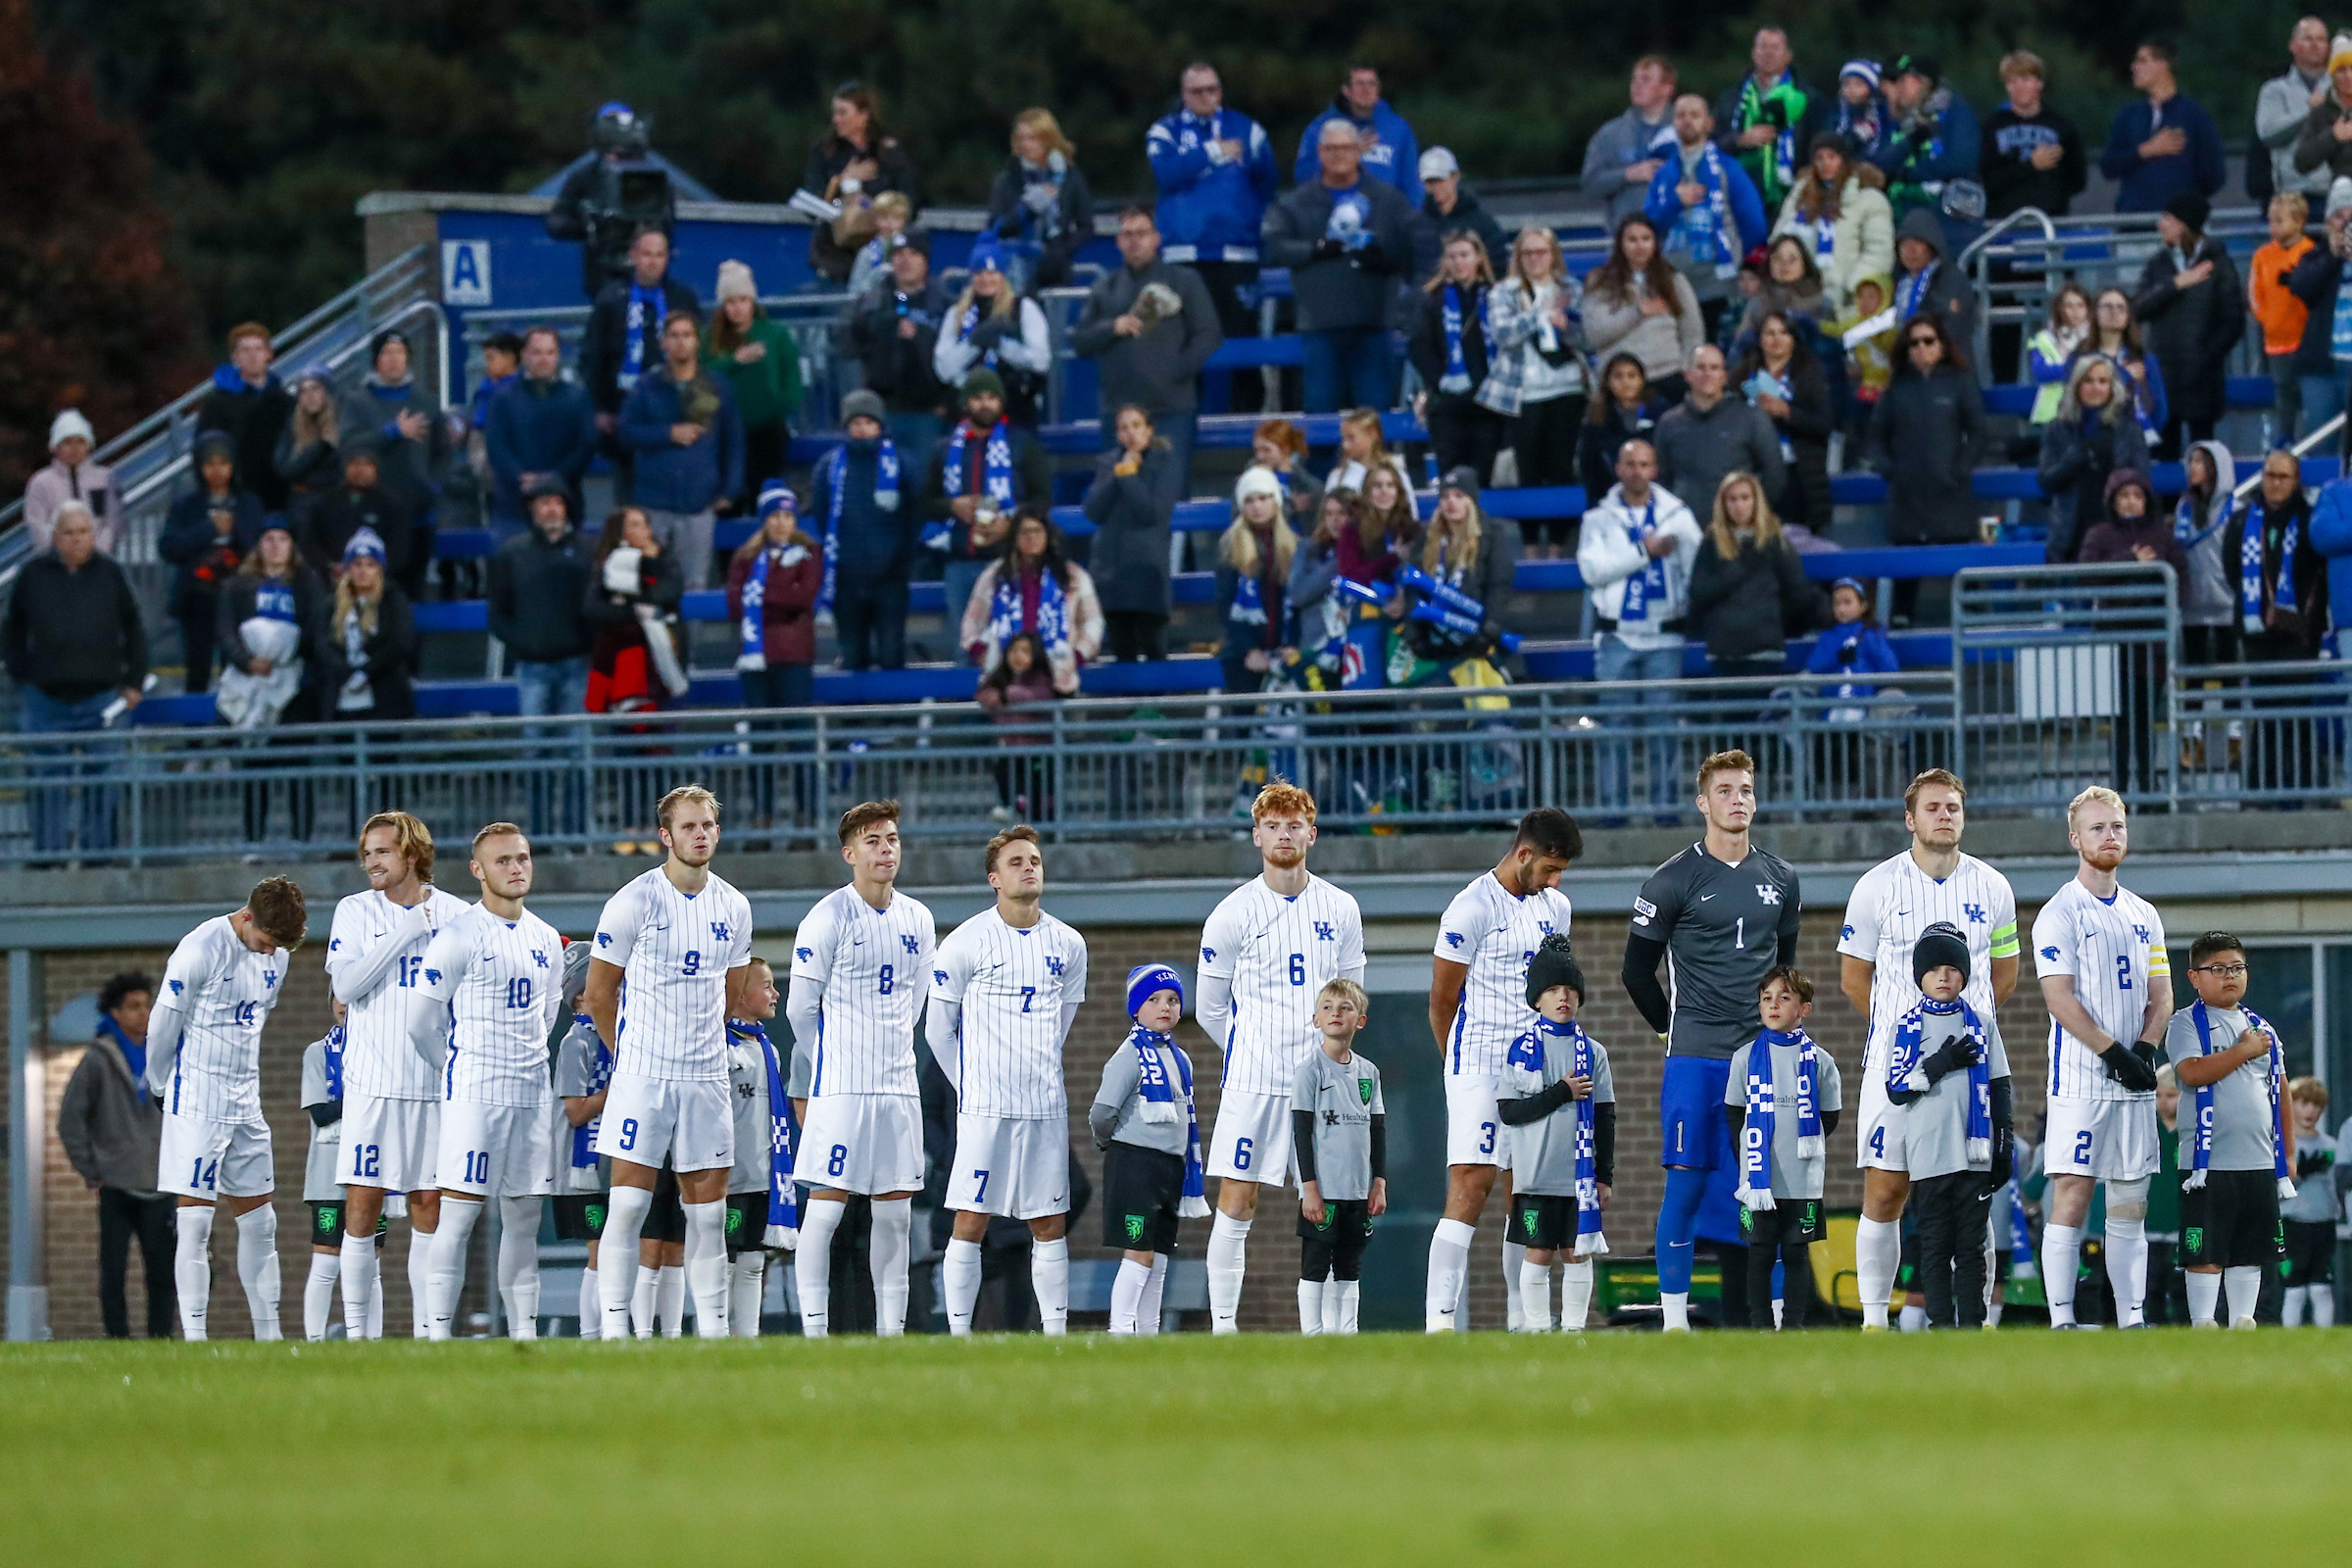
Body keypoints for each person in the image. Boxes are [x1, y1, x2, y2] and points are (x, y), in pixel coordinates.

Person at [1621, 750, 1802, 1332]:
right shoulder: (1672, 878)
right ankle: (1675, 1322)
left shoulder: (1782, 877)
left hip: (1761, 1059)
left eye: (1746, 790)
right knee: (1687, 1184)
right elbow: (1634, 972)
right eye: (1725, 791)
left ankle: (1775, 1322)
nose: (1738, 800)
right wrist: (1669, 1032)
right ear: (1703, 803)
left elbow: (1786, 974)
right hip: (1696, 1057)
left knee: (1770, 1187)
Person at [1834, 769, 2021, 1327]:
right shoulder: (1876, 886)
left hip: (1968, 1072)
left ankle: (1975, 1320)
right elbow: (1852, 978)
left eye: (1954, 808)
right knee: (1888, 1189)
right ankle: (1873, 1319)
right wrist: (1912, 1038)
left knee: (1972, 1191)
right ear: (1910, 819)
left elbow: (2005, 975)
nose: (1945, 816)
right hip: (1895, 1069)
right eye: (1933, 807)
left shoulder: (1994, 887)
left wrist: (1956, 1032)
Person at [581, 784, 756, 1339]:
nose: (700, 835)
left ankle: (712, 1333)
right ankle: (614, 1329)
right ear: (666, 836)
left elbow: (732, 994)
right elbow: (600, 993)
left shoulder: (735, 905)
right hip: (644, 1077)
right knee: (628, 1207)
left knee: (706, 1216)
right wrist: (629, 1056)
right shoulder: (633, 901)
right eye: (688, 826)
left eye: (708, 825)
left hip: (706, 1078)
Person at [1197, 782, 1366, 1334]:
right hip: (1253, 1081)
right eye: (1273, 826)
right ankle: (1224, 1328)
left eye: (1294, 825)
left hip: (1322, 1084)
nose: (1284, 835)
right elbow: (1210, 1009)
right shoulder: (1231, 913)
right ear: (1256, 836)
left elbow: (1351, 997)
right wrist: (1254, 1049)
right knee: (1238, 1200)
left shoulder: (1341, 908)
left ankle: (1332, 1331)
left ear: (1311, 834)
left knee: (1332, 1202)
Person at [925, 825, 1088, 1337]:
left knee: (1048, 1224)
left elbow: (1060, 1024)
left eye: (1034, 859)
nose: (1029, 867)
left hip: (1044, 1108)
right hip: (984, 1111)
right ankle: (959, 1335)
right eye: (1016, 862)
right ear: (995, 878)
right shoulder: (965, 942)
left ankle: (1055, 1336)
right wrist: (970, 1087)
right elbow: (937, 1030)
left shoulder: (1069, 943)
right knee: (971, 1221)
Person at [1423, 810, 1581, 1333]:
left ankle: (1524, 1320)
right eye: (1551, 868)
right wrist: (1459, 1070)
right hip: (1478, 1065)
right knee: (1472, 1183)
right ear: (1524, 854)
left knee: (1527, 1189)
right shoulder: (1469, 908)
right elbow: (1443, 1001)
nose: (1555, 881)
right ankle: (1439, 1322)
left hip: (1532, 1067)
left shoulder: (1556, 909)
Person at [784, 800, 937, 1337]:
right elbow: (799, 1009)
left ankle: (890, 1335)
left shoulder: (919, 917)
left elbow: (917, 1001)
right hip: (842, 1090)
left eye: (892, 839)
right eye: (872, 841)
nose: (885, 849)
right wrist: (831, 1062)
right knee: (825, 1212)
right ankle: (814, 1332)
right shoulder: (826, 916)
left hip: (897, 1088)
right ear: (849, 853)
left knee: (894, 1217)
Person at [410, 824, 565, 1340]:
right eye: (503, 861)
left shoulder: (546, 938)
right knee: (457, 1218)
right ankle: (436, 1336)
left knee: (523, 1220)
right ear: (478, 870)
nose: (516, 867)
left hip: (529, 1096)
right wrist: (451, 1069)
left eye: (522, 857)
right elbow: (421, 1021)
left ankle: (524, 1335)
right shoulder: (458, 936)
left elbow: (546, 1018)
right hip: (476, 1096)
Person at [2032, 785, 2173, 1330]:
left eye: (2116, 827)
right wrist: (2111, 1051)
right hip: (2082, 1081)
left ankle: (2130, 1318)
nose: (2108, 836)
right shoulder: (2059, 912)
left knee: (2131, 1201)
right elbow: (2059, 997)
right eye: (2096, 828)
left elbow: (2161, 994)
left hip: (2134, 1080)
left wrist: (2144, 1049)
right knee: (2072, 1192)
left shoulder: (2145, 914)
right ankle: (2062, 1319)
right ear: (2075, 839)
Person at [143, 877, 307, 1340]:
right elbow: (163, 1023)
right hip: (197, 1100)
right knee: (195, 1222)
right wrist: (159, 1083)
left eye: (277, 947)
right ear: (247, 916)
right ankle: (196, 1339)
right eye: (264, 942)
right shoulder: (199, 949)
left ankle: (269, 1335)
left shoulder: (278, 955)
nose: (268, 952)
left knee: (262, 1221)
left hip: (245, 1102)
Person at [322, 811, 459, 1337]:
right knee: (363, 1204)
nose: (370, 862)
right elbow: (349, 986)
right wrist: (405, 932)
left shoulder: (454, 913)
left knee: (429, 1204)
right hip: (372, 1084)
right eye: (367, 853)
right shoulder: (354, 911)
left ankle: (430, 1334)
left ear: (410, 854)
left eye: (381, 851)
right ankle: (360, 1335)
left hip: (431, 1085)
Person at [1878, 925, 2010, 1331]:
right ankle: (1939, 1322)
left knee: (1971, 1246)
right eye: (1934, 969)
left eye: (1952, 969)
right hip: (1929, 1155)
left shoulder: (1982, 1024)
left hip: (1975, 1155)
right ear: (1920, 976)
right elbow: (1897, 1089)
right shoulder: (1906, 1026)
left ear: (1965, 976)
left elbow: (2000, 1086)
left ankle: (1971, 1323)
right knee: (1934, 1246)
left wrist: (2003, 1147)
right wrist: (1939, 1063)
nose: (1943, 977)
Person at [2167, 931, 2295, 1330]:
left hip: (2257, 1157)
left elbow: (2281, 1093)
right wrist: (2242, 1051)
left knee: (2249, 1249)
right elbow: (2190, 1072)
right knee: (2205, 1247)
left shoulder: (2262, 1028)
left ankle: (2243, 1321)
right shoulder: (2185, 1023)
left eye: (2237, 968)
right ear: (2194, 977)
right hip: (2209, 1162)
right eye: (2218, 969)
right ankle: (2203, 1321)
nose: (2230, 977)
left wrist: (2287, 1153)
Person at [3, 504, 146, 855]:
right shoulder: (32, 574)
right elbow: (12, 631)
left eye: (83, 531)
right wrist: (24, 677)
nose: (77, 538)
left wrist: (135, 683)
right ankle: (48, 855)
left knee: (105, 779)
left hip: (102, 697)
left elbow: (134, 627)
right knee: (45, 780)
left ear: (93, 535)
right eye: (69, 532)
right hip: (45, 699)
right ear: (55, 538)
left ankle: (99, 855)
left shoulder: (111, 573)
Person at [1496, 937, 1616, 1332]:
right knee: (1538, 1252)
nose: (1562, 997)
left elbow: (1605, 1117)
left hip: (1578, 1178)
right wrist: (1560, 1093)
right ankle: (1536, 1327)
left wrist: (1604, 1175)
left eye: (1569, 990)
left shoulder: (1594, 1053)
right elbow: (1511, 1112)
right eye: (1552, 990)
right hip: (1535, 1176)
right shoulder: (1521, 1050)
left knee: (1577, 1252)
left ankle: (1574, 1330)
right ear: (1537, 1000)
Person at [1579, 438, 1699, 813]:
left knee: (1664, 728)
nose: (1637, 471)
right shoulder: (1597, 519)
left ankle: (1664, 809)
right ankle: (1612, 810)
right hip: (1617, 636)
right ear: (1618, 469)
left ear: (1655, 469)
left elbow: (1697, 568)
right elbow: (1592, 571)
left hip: (1664, 634)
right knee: (1612, 727)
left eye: (1644, 464)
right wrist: (1642, 552)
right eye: (1629, 464)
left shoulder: (1678, 516)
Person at [1263, 120, 1415, 413]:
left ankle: (1374, 462)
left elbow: (1409, 250)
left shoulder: (1386, 199)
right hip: (1320, 326)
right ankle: (1322, 462)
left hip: (1373, 324)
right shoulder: (1297, 202)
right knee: (1320, 416)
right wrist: (1315, 249)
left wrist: (1381, 256)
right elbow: (1274, 247)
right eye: (1331, 148)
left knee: (1374, 418)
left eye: (1346, 147)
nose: (1339, 155)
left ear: (1359, 151)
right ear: (1319, 152)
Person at [1069, 206, 1222, 498]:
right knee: (1121, 495)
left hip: (1170, 408)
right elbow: (1080, 340)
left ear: (1156, 238)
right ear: (1118, 241)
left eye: (1142, 233)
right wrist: (1112, 327)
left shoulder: (1184, 281)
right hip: (1119, 412)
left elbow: (1209, 334)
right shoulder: (1105, 287)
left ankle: (1181, 547)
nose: (1135, 240)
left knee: (1172, 496)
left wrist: (1178, 369)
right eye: (1127, 234)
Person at [1720, 966, 1841, 1330]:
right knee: (1758, 1254)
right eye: (1766, 999)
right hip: (1759, 1179)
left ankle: (1793, 1324)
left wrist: (1801, 1146)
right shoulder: (1745, 1058)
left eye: (1784, 998)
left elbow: (1829, 1117)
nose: (1773, 1006)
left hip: (1802, 1179)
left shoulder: (1820, 1061)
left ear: (1804, 1009)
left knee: (1795, 1253)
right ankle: (1759, 1324)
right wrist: (1749, 1159)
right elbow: (1734, 1116)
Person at [1089, 965, 1206, 1336]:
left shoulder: (1180, 1058)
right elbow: (1103, 1112)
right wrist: (1111, 1142)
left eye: (1172, 1000)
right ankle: (1121, 1331)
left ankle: (1150, 1332)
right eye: (1153, 1000)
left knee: (1158, 1255)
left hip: (1169, 1166)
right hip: (1135, 1162)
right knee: (1138, 1251)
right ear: (1136, 1009)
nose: (1165, 1007)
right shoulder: (1130, 1055)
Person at [1147, 61, 1280, 379]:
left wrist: (1242, 218)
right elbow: (1166, 174)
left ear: (1220, 92)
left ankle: (1247, 420)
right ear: (1184, 95)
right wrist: (1212, 152)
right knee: (1184, 344)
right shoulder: (1166, 130)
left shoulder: (1248, 130)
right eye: (1197, 91)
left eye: (1212, 89)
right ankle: (1184, 421)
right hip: (1184, 256)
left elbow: (1267, 181)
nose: (1206, 96)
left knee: (1243, 347)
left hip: (1236, 255)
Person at [58, 972, 172, 1340]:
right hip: (117, 1185)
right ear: (116, 1012)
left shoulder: (165, 1054)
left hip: (160, 1182)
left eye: (147, 1005)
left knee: (161, 1271)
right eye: (133, 1007)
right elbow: (70, 1120)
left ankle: (160, 1340)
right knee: (113, 1270)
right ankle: (118, 1339)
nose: (143, 1014)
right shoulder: (98, 1059)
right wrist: (93, 1170)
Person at [2226, 450, 2329, 796]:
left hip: (2300, 632)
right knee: (2265, 711)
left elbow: (2318, 572)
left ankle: (2305, 791)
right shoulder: (2242, 521)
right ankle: (2262, 792)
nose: (2274, 483)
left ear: (2296, 481)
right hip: (2257, 633)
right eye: (2269, 475)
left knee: (2297, 711)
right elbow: (2232, 572)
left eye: (2283, 477)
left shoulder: (2311, 519)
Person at [1868, 315, 1984, 619]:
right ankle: (1901, 619)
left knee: (1961, 563)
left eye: (1928, 341)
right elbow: (1876, 437)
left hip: (1950, 491)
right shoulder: (1895, 387)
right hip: (1906, 493)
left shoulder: (1960, 381)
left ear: (1942, 346)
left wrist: (1960, 470)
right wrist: (1890, 471)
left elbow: (1978, 432)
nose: (1921, 348)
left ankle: (1973, 620)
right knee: (1906, 566)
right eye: (1913, 342)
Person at [619, 310, 744, 592]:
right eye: (673, 336)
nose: (681, 342)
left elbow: (733, 442)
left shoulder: (717, 386)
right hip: (653, 505)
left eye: (687, 335)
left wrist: (730, 490)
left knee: (694, 586)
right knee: (650, 585)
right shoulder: (646, 387)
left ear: (697, 341)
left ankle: (693, 639)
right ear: (663, 342)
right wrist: (667, 433)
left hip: (698, 505)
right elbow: (625, 433)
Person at [2081, 469, 2187, 795]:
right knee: (2120, 722)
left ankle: (2148, 786)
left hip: (2150, 643)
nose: (2130, 502)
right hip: (2112, 643)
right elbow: (2086, 576)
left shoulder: (2162, 536)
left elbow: (2182, 579)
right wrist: (2130, 560)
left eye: (2137, 496)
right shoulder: (2099, 535)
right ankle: (2120, 789)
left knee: (2144, 721)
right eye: (2124, 496)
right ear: (2112, 501)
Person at [1481, 227, 1589, 551]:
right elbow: (1503, 334)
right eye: (1528, 253)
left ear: (1553, 255)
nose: (1535, 259)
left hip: (1567, 387)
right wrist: (1537, 315)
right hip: (1524, 390)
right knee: (1528, 469)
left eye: (1541, 252)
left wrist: (1566, 326)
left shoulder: (1571, 288)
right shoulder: (1503, 292)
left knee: (1561, 466)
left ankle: (1557, 544)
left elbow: (1588, 336)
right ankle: (1529, 545)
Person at [920, 369, 1053, 626]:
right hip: (960, 561)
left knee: (1014, 640)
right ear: (966, 403)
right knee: (966, 645)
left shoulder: (1023, 444)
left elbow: (1042, 500)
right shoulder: (943, 449)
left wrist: (1011, 524)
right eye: (978, 397)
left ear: (1001, 402)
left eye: (992, 397)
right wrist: (952, 506)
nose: (985, 404)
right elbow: (922, 504)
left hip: (1011, 558)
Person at [1292, 979, 1385, 1336]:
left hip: (1358, 1189)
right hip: (1324, 1190)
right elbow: (1301, 1132)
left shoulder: (1368, 1073)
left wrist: (1379, 1182)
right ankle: (1312, 1335)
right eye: (1328, 1007)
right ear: (1316, 1019)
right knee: (1315, 1263)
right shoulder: (1310, 1071)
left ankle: (1347, 1334)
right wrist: (1309, 1188)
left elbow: (1377, 1131)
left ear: (1359, 1020)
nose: (1336, 1014)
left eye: (1345, 1007)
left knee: (1350, 1264)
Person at [580, 227, 701, 499]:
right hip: (624, 409)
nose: (653, 261)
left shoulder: (682, 298)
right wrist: (599, 408)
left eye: (660, 255)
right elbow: (593, 356)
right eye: (647, 254)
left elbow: (699, 353)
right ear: (633, 256)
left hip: (674, 407)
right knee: (629, 491)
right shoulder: (611, 299)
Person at [220, 522, 323, 837]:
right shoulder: (238, 585)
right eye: (268, 539)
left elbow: (315, 628)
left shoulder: (307, 583)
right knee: (255, 769)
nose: (275, 546)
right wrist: (247, 661)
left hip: (295, 690)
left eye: (282, 539)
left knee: (298, 767)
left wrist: (287, 655)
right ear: (258, 545)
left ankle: (303, 838)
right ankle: (253, 839)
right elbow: (225, 630)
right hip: (251, 684)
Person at [812, 391, 919, 673]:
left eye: (868, 422)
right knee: (852, 654)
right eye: (855, 422)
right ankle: (854, 719)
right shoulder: (828, 467)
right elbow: (822, 517)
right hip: (846, 579)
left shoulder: (903, 464)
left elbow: (914, 517)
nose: (861, 428)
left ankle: (894, 717)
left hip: (891, 578)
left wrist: (900, 562)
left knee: (891, 651)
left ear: (880, 425)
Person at [2133, 190, 2244, 458]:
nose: (2161, 225)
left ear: (2184, 224)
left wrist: (2206, 357)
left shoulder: (2219, 265)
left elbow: (2233, 321)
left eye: (2167, 219)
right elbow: (2137, 308)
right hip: (2163, 377)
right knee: (2164, 454)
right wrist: (2175, 285)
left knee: (2203, 455)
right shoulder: (2158, 264)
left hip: (2202, 379)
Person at [1646, 94, 1769, 333]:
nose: (1687, 121)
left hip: (1720, 284)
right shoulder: (1663, 175)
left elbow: (1753, 223)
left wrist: (1748, 268)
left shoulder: (1728, 168)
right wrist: (1675, 202)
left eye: (1695, 115)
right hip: (1675, 285)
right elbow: (1646, 227)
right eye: (1681, 115)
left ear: (1708, 123)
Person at [1687, 470, 1821, 681]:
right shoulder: (1711, 543)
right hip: (1724, 651)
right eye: (1732, 499)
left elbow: (1798, 593)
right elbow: (1697, 592)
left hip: (1765, 649)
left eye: (1745, 498)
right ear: (1723, 504)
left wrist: (1772, 619)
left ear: (1756, 501)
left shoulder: (1775, 542)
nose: (1738, 505)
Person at [721, 958, 794, 1337]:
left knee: (752, 1261)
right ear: (738, 992)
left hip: (763, 1172)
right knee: (724, 1261)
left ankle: (746, 1338)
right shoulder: (721, 1047)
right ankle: (714, 1333)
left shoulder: (769, 1049)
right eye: (765, 985)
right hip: (726, 1176)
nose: (775, 993)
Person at [160, 432, 265, 695]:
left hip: (238, 597)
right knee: (197, 669)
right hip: (197, 598)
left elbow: (258, 547)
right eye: (210, 464)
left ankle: (232, 732)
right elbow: (169, 547)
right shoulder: (186, 506)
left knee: (236, 666)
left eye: (223, 463)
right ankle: (195, 733)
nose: (217, 471)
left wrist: (235, 528)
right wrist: (209, 529)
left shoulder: (248, 503)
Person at [960, 509, 1103, 691]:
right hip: (1004, 676)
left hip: (1059, 675)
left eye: (1037, 531)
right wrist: (982, 653)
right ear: (1014, 538)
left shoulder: (1072, 576)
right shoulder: (994, 576)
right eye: (1024, 532)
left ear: (1048, 535)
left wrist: (1077, 656)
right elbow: (972, 621)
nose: (1031, 537)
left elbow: (1093, 621)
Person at [1083, 403, 1182, 662]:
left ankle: (1155, 703)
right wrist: (1119, 473)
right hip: (1112, 574)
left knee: (1154, 650)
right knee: (1121, 652)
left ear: (1149, 431)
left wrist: (1128, 476)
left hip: (1147, 574)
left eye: (1137, 426)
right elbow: (1093, 510)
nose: (1130, 433)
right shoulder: (1109, 463)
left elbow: (1151, 512)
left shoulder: (1166, 462)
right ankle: (1126, 703)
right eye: (1123, 428)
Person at [297, 1006, 374, 1340]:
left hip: (371, 1169)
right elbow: (321, 1113)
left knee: (371, 1264)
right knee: (326, 1261)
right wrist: (363, 1092)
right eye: (337, 997)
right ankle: (314, 1340)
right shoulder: (318, 1052)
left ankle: (371, 1337)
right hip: (329, 1174)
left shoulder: (379, 1049)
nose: (343, 1005)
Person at [491, 476, 596, 718]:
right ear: (532, 510)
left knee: (578, 743)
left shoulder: (588, 550)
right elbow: (498, 610)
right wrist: (522, 642)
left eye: (558, 503)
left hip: (577, 661)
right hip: (532, 664)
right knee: (534, 743)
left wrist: (587, 641)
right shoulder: (511, 553)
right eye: (545, 503)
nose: (553, 510)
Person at [703, 261, 801, 516]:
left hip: (767, 431)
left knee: (765, 497)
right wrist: (735, 361)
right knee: (728, 502)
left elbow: (792, 378)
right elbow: (703, 373)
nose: (737, 309)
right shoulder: (710, 338)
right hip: (725, 431)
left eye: (743, 300)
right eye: (730, 302)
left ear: (753, 301)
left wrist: (779, 404)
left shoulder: (775, 334)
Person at [804, 81, 922, 285]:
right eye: (835, 113)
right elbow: (811, 205)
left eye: (843, 113)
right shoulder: (825, 151)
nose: (836, 120)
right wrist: (842, 181)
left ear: (863, 115)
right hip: (833, 256)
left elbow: (912, 200)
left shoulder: (889, 153)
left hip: (882, 255)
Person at [584, 506, 688, 736]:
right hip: (620, 664)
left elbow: (669, 594)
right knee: (625, 745)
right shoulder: (604, 568)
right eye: (635, 525)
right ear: (620, 533)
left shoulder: (664, 561)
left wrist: (629, 600)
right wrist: (639, 611)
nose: (645, 531)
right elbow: (594, 609)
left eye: (645, 524)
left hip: (661, 664)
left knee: (660, 744)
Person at [2037, 356, 2152, 564]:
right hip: (2070, 534)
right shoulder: (2057, 429)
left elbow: (2142, 478)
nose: (2095, 387)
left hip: (2118, 533)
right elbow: (2046, 481)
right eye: (2088, 381)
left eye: (2102, 381)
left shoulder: (2129, 429)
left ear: (2112, 386)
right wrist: (2074, 459)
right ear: (2076, 386)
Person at [1408, 230, 1503, 482]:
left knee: (1485, 478)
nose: (1458, 262)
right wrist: (1440, 381)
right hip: (1449, 406)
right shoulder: (1431, 300)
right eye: (1452, 256)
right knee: (1451, 479)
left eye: (1464, 255)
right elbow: (1420, 346)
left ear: (1479, 258)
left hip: (1490, 403)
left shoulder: (1498, 296)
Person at [850, 230, 954, 457]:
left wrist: (947, 401)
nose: (905, 260)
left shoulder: (944, 305)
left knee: (922, 481)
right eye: (898, 254)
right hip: (883, 410)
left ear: (925, 261)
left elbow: (955, 359)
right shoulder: (872, 302)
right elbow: (851, 344)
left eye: (913, 253)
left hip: (927, 412)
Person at [481, 328, 596, 535]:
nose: (544, 359)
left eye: (550, 352)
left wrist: (555, 478)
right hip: (512, 507)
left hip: (565, 504)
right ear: (524, 355)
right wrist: (520, 478)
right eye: (537, 353)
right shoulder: (503, 399)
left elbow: (585, 445)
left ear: (558, 356)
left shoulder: (577, 397)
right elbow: (496, 446)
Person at [1653, 343, 1786, 518]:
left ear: (1724, 376)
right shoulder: (1668, 423)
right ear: (1688, 375)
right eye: (1701, 368)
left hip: (1738, 533)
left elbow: (1774, 475)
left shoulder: (1751, 418)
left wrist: (1751, 516)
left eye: (1714, 368)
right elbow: (1660, 481)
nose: (1708, 374)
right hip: (1685, 532)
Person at [551, 979, 615, 1337]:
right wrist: (617, 1086)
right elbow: (576, 1111)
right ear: (581, 996)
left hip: (611, 1159)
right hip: (582, 1165)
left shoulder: (614, 1039)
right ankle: (594, 1333)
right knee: (600, 1251)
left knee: (614, 1248)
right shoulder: (576, 1042)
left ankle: (608, 1328)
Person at [932, 240, 1054, 426]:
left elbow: (1040, 360)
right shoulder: (957, 313)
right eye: (979, 273)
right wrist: (972, 344)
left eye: (992, 273)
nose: (985, 279)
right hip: (967, 408)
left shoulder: (1024, 309)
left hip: (1014, 405)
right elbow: (944, 369)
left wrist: (1004, 347)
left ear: (1002, 275)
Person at [1772, 134, 1891, 319]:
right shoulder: (1799, 195)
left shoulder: (1869, 199)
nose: (1825, 163)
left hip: (1844, 302)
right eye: (1819, 158)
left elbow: (1878, 252)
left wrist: (1853, 287)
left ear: (1844, 160)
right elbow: (1778, 240)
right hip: (1796, 297)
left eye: (1831, 157)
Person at [1582, 217, 1703, 397]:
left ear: (1655, 243)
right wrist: (1637, 312)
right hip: (1619, 380)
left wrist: (1687, 368)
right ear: (1620, 244)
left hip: (1668, 374)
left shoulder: (1674, 280)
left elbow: (1692, 332)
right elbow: (1595, 333)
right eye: (1632, 239)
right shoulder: (1600, 282)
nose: (1639, 245)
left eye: (1646, 239)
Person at [726, 483, 822, 710]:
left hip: (794, 654)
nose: (781, 523)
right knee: (760, 731)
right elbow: (735, 605)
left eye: (788, 516)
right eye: (775, 516)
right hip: (755, 654)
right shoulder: (745, 556)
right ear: (764, 520)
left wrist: (758, 594)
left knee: (797, 727)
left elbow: (803, 598)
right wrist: (782, 593)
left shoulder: (809, 553)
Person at [2102, 40, 2227, 214]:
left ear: (2163, 64)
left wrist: (2185, 204)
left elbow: (2213, 175)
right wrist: (2145, 151)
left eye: (2142, 61)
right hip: (2134, 223)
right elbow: (2108, 166)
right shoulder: (2128, 116)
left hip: (2180, 225)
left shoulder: (2194, 116)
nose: (2134, 67)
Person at [1736, 310, 1834, 530]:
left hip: (1799, 475)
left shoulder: (1810, 375)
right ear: (1759, 339)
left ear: (1793, 338)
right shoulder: (1742, 375)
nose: (1776, 339)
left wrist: (1787, 412)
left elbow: (1824, 425)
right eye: (1769, 333)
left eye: (1784, 333)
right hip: (1754, 473)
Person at [1406, 468, 1520, 659]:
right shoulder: (1426, 538)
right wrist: (1414, 633)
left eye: (1459, 496)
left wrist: (1491, 627)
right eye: (1445, 496)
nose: (1451, 502)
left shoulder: (1491, 535)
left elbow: (1499, 585)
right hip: (1434, 638)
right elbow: (1413, 589)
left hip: (1478, 635)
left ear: (1472, 501)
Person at [1711, 27, 1826, 214]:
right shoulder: (1731, 99)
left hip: (1793, 198)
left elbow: (1819, 144)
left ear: (1788, 55)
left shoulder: (1808, 99)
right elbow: (1712, 144)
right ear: (1754, 54)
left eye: (1775, 47)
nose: (1768, 53)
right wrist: (1739, 140)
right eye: (1763, 47)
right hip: (1739, 198)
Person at [317, 531, 418, 725]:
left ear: (380, 569)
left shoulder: (392, 600)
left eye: (370, 564)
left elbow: (401, 641)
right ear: (348, 568)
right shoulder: (331, 603)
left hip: (386, 697)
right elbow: (322, 643)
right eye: (357, 564)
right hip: (342, 696)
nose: (363, 571)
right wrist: (346, 673)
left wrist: (366, 672)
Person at [986, 107, 1094, 290]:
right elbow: (996, 226)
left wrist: (1060, 251)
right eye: (1021, 139)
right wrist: (1026, 209)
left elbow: (1086, 226)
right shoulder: (1008, 178)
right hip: (1015, 269)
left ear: (1049, 140)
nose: (1026, 145)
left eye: (1033, 138)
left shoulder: (1069, 176)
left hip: (1055, 271)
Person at [1872, 54, 1981, 234]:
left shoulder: (1955, 111)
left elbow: (1963, 161)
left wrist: (1910, 173)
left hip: (1947, 220)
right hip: (1903, 217)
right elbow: (1880, 164)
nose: (1898, 88)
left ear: (1924, 83)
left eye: (1904, 81)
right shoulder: (1905, 119)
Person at [340, 328, 445, 512]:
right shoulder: (357, 402)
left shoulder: (427, 402)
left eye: (399, 352)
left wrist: (433, 485)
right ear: (376, 360)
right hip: (372, 503)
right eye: (387, 353)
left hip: (419, 503)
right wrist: (391, 432)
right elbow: (348, 443)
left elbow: (443, 451)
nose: (394, 359)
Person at [195, 321, 294, 514]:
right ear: (235, 356)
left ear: (269, 354)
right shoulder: (216, 402)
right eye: (245, 350)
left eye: (258, 349)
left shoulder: (285, 401)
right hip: (236, 495)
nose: (253, 356)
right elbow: (203, 449)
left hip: (279, 493)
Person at [1215, 466, 1298, 695]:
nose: (1257, 506)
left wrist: (1293, 644)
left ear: (1276, 501)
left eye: (1263, 498)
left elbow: (1299, 601)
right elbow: (1226, 604)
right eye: (1250, 500)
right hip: (1241, 655)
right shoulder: (1229, 546)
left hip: (1286, 651)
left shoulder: (1294, 545)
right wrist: (1249, 650)